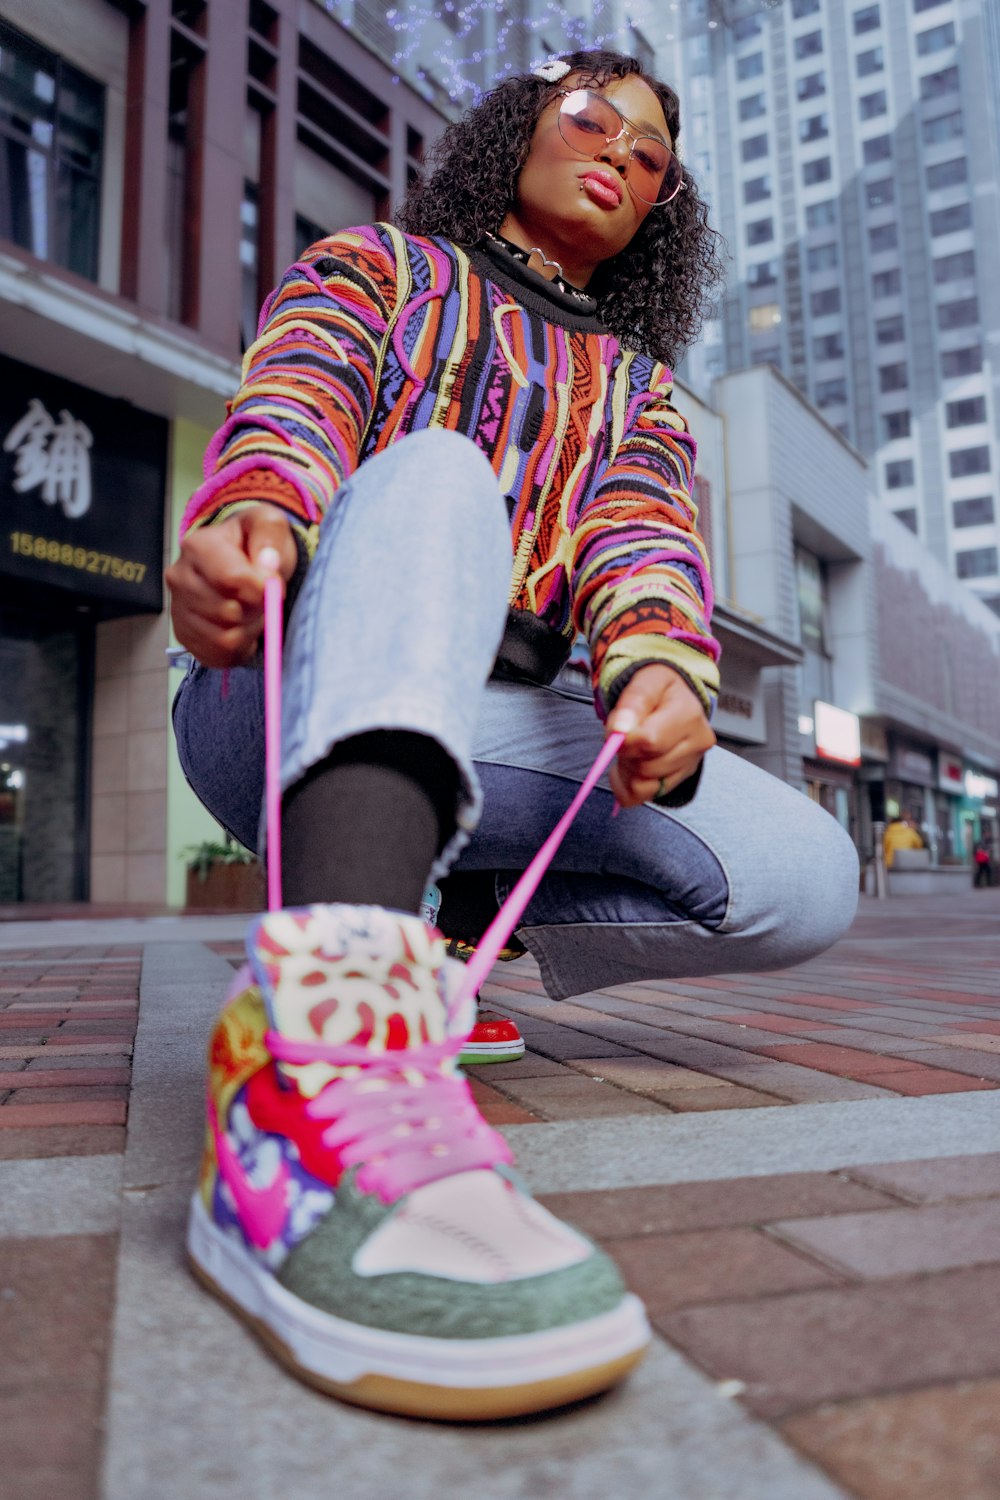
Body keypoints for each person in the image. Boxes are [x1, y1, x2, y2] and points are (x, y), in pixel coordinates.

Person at [167, 49, 860, 1421]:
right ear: (515, 135)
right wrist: (253, 505)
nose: (620, 153)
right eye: (591, 117)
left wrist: (663, 665)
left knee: (804, 875)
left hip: (513, 729)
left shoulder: (640, 393)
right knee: (434, 477)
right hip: (287, 679)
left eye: (653, 157)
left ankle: (435, 939)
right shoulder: (384, 269)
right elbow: (297, 394)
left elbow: (645, 542)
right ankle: (312, 1094)